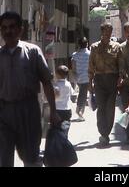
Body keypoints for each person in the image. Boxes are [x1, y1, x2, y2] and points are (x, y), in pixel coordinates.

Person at [0, 11, 60, 167]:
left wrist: (53, 112)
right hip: (4, 112)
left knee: (31, 158)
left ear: (20, 29)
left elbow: (47, 83)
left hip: (29, 111)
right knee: (3, 158)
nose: (8, 31)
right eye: (4, 28)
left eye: (12, 27)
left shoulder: (33, 52)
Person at [88, 23, 122, 146]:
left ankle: (106, 132)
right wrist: (90, 83)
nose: (108, 33)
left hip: (112, 79)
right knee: (101, 107)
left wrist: (120, 78)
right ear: (101, 32)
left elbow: (120, 64)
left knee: (110, 108)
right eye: (106, 31)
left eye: (110, 31)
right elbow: (91, 65)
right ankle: (103, 133)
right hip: (99, 79)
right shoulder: (94, 47)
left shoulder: (117, 47)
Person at [71, 36, 90, 121]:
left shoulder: (75, 55)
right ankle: (79, 112)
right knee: (83, 94)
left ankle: (81, 113)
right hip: (87, 77)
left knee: (83, 94)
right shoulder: (90, 54)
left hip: (79, 78)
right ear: (87, 44)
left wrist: (75, 77)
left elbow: (73, 68)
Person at [53, 65, 74, 138]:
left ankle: (59, 144)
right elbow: (72, 93)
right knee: (65, 127)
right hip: (67, 109)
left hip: (58, 109)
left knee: (57, 128)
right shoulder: (68, 84)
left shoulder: (56, 85)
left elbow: (56, 96)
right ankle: (65, 141)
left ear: (57, 75)